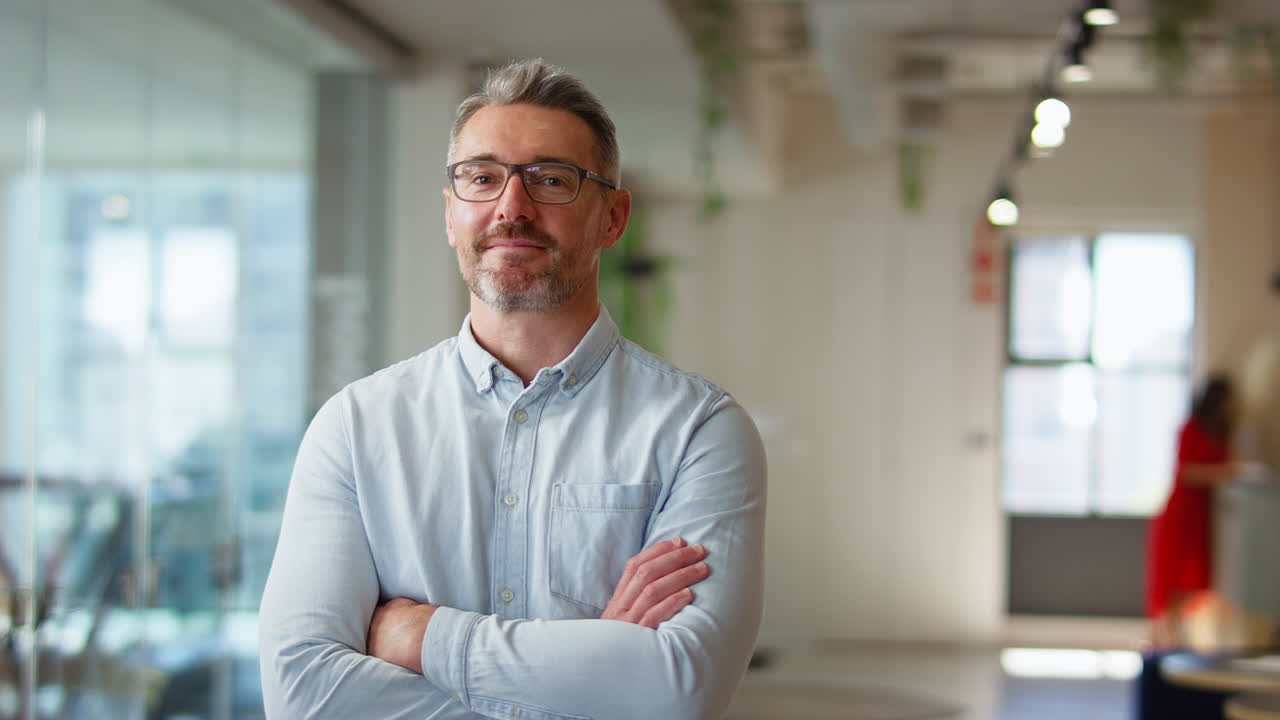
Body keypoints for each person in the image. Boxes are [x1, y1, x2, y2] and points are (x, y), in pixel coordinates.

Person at [258, 59, 767, 719]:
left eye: (552, 180)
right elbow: (304, 696)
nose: (511, 207)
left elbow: (678, 692)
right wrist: (594, 673)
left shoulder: (697, 429)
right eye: (481, 177)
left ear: (612, 217)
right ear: (451, 213)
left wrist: (423, 636)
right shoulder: (355, 428)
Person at [1145, 374, 1240, 648]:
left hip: (1203, 518)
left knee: (1194, 582)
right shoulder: (1189, 429)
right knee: (1170, 581)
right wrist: (1225, 472)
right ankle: (1161, 645)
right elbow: (1186, 473)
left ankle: (1172, 641)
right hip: (1181, 514)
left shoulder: (1222, 432)